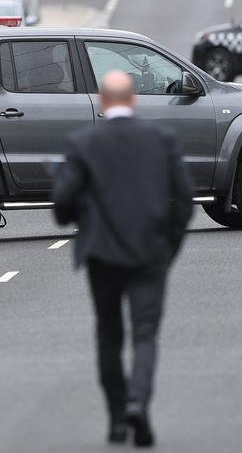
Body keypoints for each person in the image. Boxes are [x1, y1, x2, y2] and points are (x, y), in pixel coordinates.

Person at [52, 71, 193, 447]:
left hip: (102, 253)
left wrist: (76, 217)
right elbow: (184, 199)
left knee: (109, 335)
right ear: (132, 100)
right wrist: (169, 246)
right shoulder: (160, 140)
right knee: (145, 335)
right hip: (150, 251)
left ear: (102, 101)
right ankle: (138, 403)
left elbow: (63, 205)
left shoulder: (82, 143)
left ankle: (117, 420)